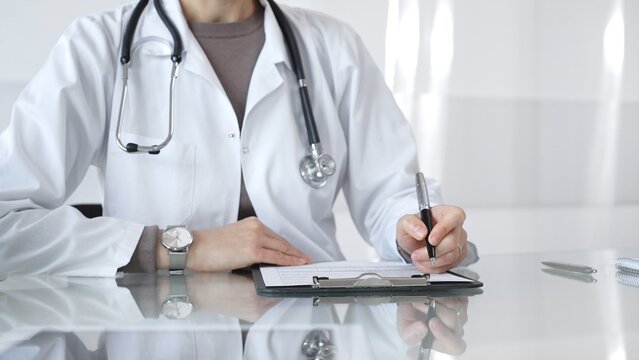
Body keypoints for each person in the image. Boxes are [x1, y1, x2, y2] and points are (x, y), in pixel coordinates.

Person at [0, 0, 473, 276]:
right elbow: (6, 224)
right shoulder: (98, 45)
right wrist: (177, 247)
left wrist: (414, 231)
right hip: (155, 326)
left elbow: (390, 191)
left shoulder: (332, 45)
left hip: (311, 321)